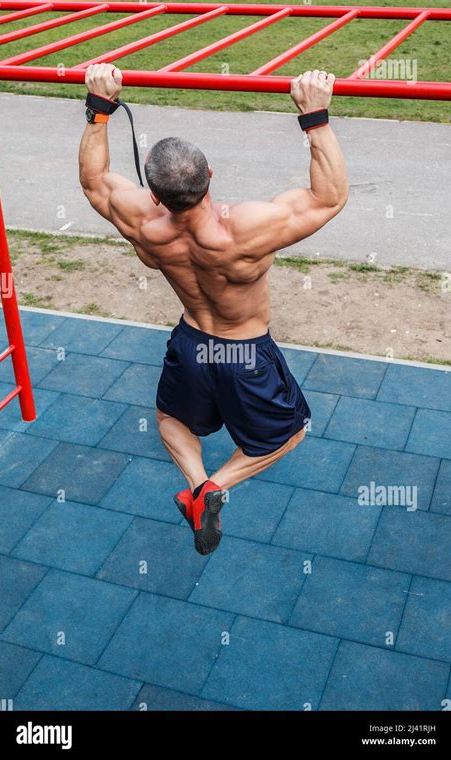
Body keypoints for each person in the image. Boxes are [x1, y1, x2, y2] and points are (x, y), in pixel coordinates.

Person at [79, 64, 348, 555]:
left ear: (154, 193)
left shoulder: (143, 222)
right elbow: (328, 199)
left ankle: (195, 483)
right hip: (245, 352)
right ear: (209, 176)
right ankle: (212, 489)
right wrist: (316, 116)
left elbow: (95, 181)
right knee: (289, 434)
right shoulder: (245, 229)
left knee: (168, 419)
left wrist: (100, 109)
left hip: (191, 341)